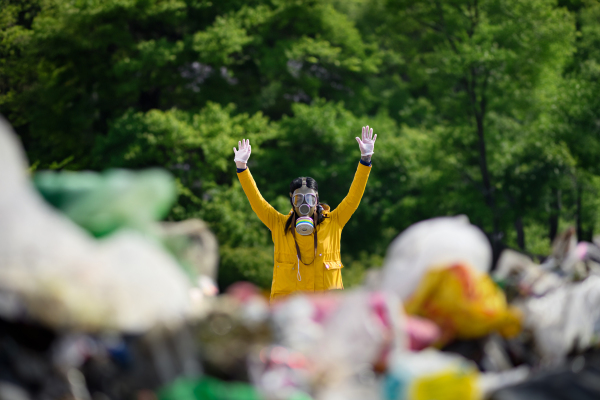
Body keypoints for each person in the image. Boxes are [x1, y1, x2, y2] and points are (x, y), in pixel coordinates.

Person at [233, 126, 377, 301]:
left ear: (317, 199)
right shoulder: (279, 224)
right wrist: (242, 168)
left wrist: (365, 160)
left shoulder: (334, 222)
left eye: (309, 198)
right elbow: (256, 200)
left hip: (325, 311)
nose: (304, 203)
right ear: (291, 200)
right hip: (288, 311)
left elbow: (353, 197)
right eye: (298, 198)